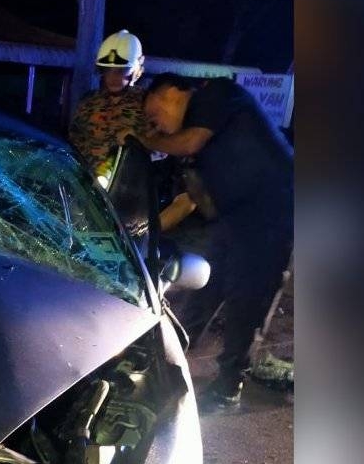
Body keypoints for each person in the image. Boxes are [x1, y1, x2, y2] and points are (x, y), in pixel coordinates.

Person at [118, 73, 293, 410]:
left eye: (155, 116)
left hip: (273, 212)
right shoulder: (192, 144)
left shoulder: (216, 94)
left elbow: (190, 141)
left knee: (246, 300)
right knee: (202, 287)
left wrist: (145, 141)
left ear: (171, 93)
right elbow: (196, 204)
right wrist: (132, 233)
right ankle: (166, 360)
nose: (155, 125)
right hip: (234, 217)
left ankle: (229, 385)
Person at [68, 30, 148, 176]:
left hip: (129, 183)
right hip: (89, 180)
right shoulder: (89, 102)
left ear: (136, 70)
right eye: (107, 70)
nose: (113, 77)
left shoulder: (147, 103)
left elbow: (159, 148)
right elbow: (74, 140)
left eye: (121, 71)